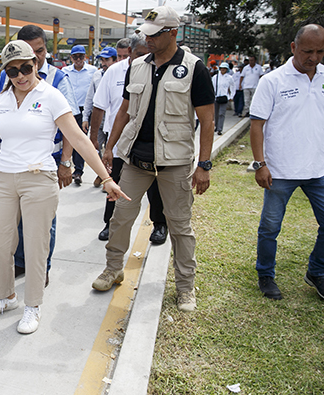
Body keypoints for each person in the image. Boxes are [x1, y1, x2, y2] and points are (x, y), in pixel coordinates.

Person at [0, 40, 129, 334]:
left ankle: (32, 306)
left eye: (26, 67)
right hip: (4, 179)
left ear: (36, 64)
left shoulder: (50, 97)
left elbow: (77, 139)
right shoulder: (1, 100)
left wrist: (107, 177)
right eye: (13, 71)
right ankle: (6, 296)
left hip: (39, 179)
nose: (21, 76)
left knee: (36, 245)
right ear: (6, 72)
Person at [93, 5, 215, 313]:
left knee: (180, 226)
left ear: (172, 33)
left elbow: (208, 121)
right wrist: (109, 148)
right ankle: (113, 268)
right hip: (136, 159)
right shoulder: (138, 66)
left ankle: (186, 287)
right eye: (144, 34)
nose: (147, 40)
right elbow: (123, 110)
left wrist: (204, 165)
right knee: (121, 216)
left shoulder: (194, 68)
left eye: (153, 35)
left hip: (174, 162)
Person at [250, 24, 324, 303]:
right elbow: (257, 125)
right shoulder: (273, 81)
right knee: (270, 226)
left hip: (320, 169)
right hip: (280, 170)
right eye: (307, 51)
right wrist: (260, 164)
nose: (313, 57)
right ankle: (265, 274)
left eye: (320, 51)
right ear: (293, 48)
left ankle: (317, 272)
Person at [0, 25, 80, 282]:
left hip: (48, 160)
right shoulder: (7, 76)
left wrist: (66, 162)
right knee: (18, 221)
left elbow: (71, 128)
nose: (36, 57)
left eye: (40, 51)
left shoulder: (57, 80)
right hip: (13, 164)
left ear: (45, 50)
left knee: (44, 224)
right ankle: (22, 262)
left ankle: (41, 268)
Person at [90, 33, 168, 245]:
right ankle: (109, 223)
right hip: (118, 141)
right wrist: (95, 139)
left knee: (154, 185)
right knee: (113, 182)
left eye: (147, 54)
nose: (144, 58)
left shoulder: (159, 70)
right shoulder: (114, 72)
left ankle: (160, 224)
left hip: (148, 141)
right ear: (130, 53)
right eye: (139, 54)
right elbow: (100, 105)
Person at [63, 45, 97, 185]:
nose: (78, 59)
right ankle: (64, 165)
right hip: (68, 109)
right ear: (71, 58)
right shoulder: (65, 71)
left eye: (81, 57)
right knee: (67, 139)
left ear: (85, 57)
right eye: (75, 57)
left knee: (79, 139)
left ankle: (78, 171)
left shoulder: (92, 71)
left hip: (84, 111)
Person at [83, 46, 118, 161]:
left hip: (114, 117)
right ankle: (101, 170)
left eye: (107, 60)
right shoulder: (97, 75)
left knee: (112, 149)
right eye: (102, 60)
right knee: (92, 148)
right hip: (99, 117)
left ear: (115, 60)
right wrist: (85, 118)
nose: (104, 63)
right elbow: (90, 98)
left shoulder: (119, 75)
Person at [212, 62, 235, 135]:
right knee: (216, 113)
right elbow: (212, 87)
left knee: (222, 113)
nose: (223, 70)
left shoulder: (229, 78)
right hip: (216, 97)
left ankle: (220, 129)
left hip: (224, 97)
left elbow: (232, 87)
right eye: (222, 68)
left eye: (225, 69)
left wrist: (231, 96)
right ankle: (216, 126)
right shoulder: (215, 77)